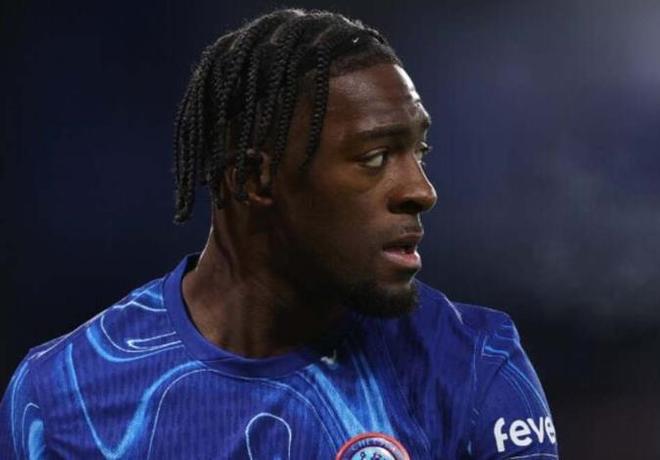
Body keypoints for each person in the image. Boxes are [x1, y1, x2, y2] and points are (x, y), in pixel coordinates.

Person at [0, 8, 558, 459]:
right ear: (253, 179)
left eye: (419, 151)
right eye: (374, 157)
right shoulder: (60, 397)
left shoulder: (472, 364)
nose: (421, 190)